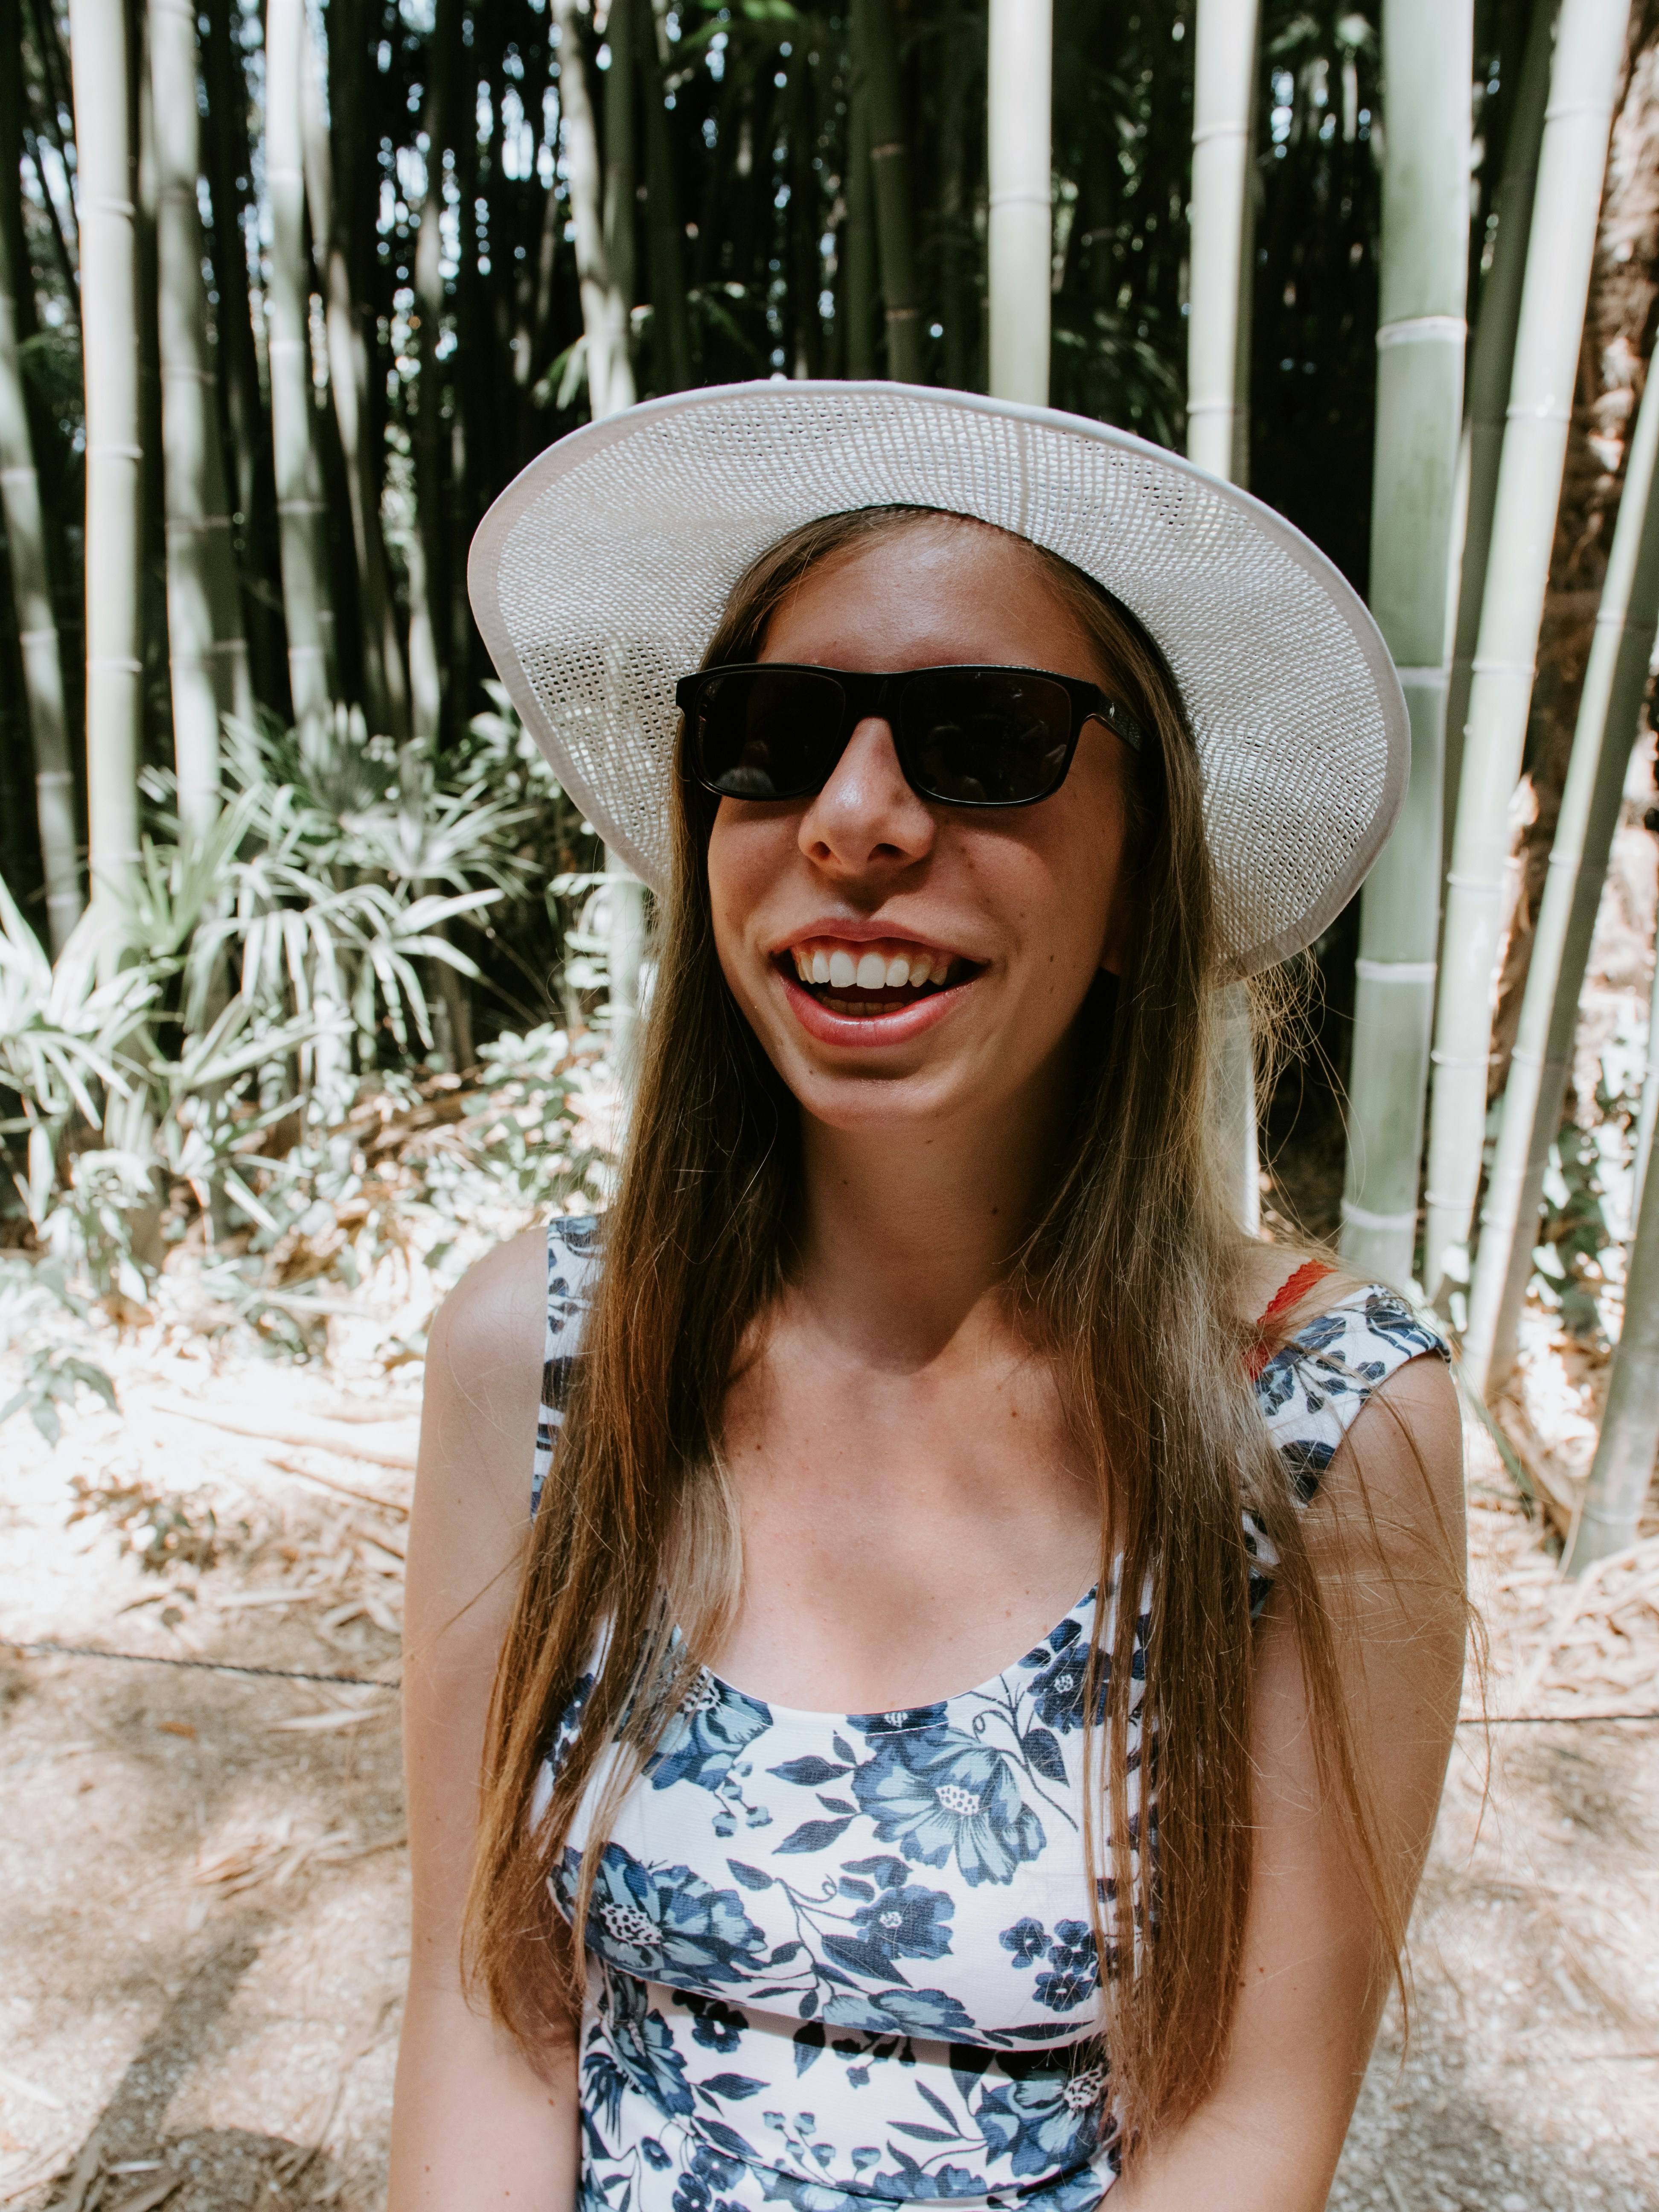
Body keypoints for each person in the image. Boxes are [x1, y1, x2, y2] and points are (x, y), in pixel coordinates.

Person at [388, 384, 1465, 2212]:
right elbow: (488, 2020)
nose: (858, 818)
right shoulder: (543, 1353)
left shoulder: (1321, 1423)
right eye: (774, 736)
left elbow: (1248, 2141)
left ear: (1146, 876)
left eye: (985, 737)